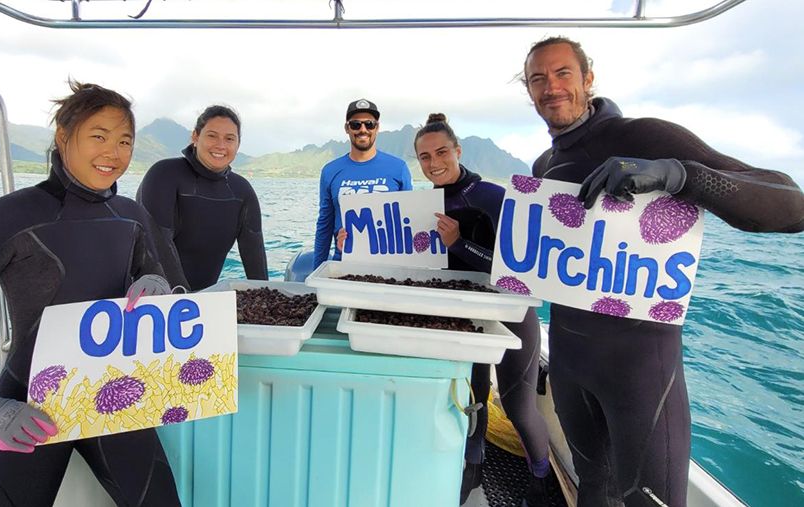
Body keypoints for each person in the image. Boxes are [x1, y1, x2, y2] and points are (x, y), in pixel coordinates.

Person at [520, 36, 804, 507]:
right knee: (593, 491)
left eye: (562, 73)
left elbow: (791, 205)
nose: (551, 87)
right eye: (537, 78)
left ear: (588, 79)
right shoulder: (545, 165)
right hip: (570, 362)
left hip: (639, 372)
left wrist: (679, 175)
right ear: (529, 92)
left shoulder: (644, 137)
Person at [0, 81, 183, 506]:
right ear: (63, 137)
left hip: (114, 397)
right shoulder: (13, 215)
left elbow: (150, 272)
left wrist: (155, 286)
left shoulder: (130, 215)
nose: (114, 152)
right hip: (28, 410)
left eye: (124, 140)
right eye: (99, 136)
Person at [413, 114, 554, 506]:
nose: (433, 162)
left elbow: (517, 270)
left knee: (518, 406)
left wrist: (458, 243)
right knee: (471, 396)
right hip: (464, 317)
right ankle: (472, 469)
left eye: (441, 152)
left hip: (510, 313)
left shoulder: (491, 195)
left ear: (458, 151)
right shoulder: (422, 204)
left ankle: (540, 482)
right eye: (424, 156)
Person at [137, 105, 268, 291]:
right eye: (212, 135)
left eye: (229, 138)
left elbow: (256, 260)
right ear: (195, 137)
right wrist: (185, 300)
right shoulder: (164, 175)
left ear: (238, 144)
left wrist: (266, 301)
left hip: (202, 300)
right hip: (153, 299)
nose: (221, 145)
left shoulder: (242, 191)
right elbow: (157, 246)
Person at [312, 98, 413, 269]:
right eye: (356, 124)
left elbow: (410, 222)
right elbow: (325, 225)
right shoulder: (330, 171)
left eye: (369, 124)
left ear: (377, 127)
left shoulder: (398, 168)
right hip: (343, 266)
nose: (363, 130)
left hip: (388, 268)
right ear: (347, 128)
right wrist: (316, 272)